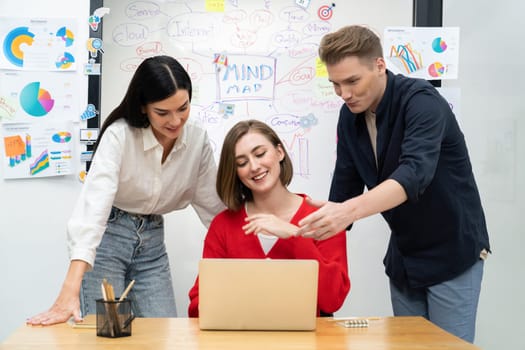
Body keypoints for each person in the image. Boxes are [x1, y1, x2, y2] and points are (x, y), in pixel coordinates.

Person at [296, 25, 491, 343]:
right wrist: (295, 227)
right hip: (405, 258)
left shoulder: (422, 102)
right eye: (335, 84)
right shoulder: (350, 117)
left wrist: (347, 212)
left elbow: (413, 174)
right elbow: (343, 192)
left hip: (452, 251)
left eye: (352, 81)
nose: (344, 94)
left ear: (379, 66)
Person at [27, 55, 224, 325]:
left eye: (183, 108)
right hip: (109, 238)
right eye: (163, 113)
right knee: (110, 333)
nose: (176, 121)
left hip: (152, 241)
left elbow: (213, 207)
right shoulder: (119, 136)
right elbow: (93, 211)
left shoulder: (197, 139)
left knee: (162, 333)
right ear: (143, 107)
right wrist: (69, 290)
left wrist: (250, 257)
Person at [188, 119, 350, 317]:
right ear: (236, 172)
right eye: (242, 163)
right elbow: (197, 306)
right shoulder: (224, 225)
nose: (254, 166)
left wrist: (295, 235)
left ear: (279, 152)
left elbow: (332, 300)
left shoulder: (323, 218)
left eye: (260, 154)